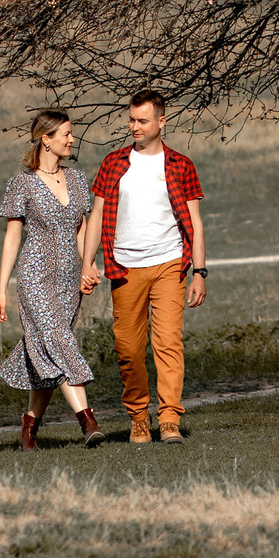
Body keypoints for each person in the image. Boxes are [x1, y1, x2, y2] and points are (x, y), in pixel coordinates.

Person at [81, 89, 207, 443]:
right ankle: (138, 417)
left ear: (161, 122)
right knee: (129, 348)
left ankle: (169, 420)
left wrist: (200, 272)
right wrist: (87, 263)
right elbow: (98, 215)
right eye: (131, 120)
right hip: (124, 268)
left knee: (168, 343)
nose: (134, 126)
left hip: (169, 265)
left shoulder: (181, 165)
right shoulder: (114, 163)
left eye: (142, 120)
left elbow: (195, 223)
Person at [0, 108, 104, 449]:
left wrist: (88, 265)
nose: (72, 139)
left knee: (46, 348)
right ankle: (88, 421)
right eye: (66, 134)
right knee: (58, 340)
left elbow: (83, 228)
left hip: (69, 278)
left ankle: (28, 428)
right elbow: (13, 237)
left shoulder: (76, 179)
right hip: (35, 276)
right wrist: (1, 290)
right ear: (47, 139)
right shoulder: (22, 183)